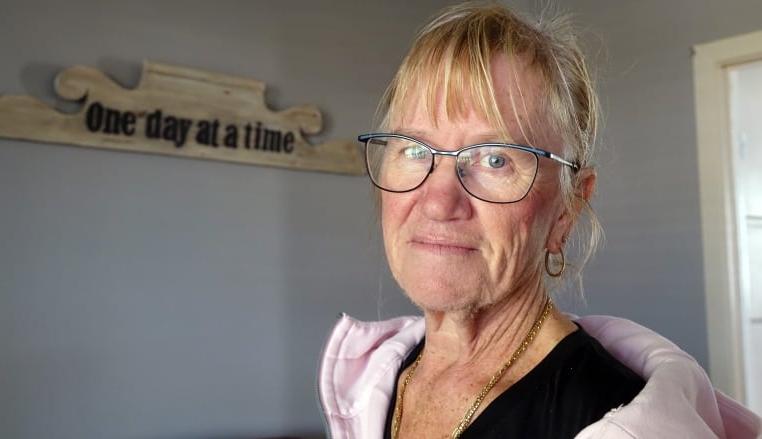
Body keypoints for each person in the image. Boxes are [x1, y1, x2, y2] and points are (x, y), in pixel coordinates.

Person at [317, 2, 762, 438]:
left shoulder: (607, 417)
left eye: (494, 159)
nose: (438, 202)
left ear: (567, 207)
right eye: (414, 150)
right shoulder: (379, 378)